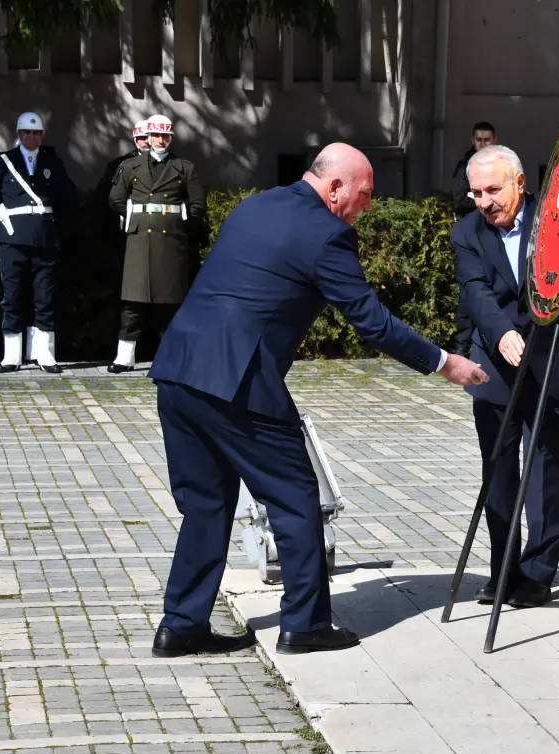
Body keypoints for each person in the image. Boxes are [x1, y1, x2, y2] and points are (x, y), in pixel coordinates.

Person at [148, 143, 489, 658]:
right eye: (365, 194)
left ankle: (181, 624)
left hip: (178, 368)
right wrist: (445, 363)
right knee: (295, 497)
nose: (368, 205)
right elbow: (372, 323)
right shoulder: (327, 235)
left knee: (206, 505)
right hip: (239, 383)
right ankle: (306, 624)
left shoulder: (255, 205)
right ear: (335, 188)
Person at [453, 144, 559, 608]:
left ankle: (537, 572)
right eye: (476, 192)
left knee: (549, 474)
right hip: (495, 368)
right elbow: (475, 292)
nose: (484, 201)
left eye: (492, 190)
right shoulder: (468, 231)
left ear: (519, 182)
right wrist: (498, 335)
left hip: (554, 357)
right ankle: (502, 569)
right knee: (498, 474)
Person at [0, 111, 78, 374]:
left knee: (44, 296)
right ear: (19, 135)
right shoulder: (4, 161)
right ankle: (12, 355)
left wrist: (59, 231)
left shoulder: (51, 161)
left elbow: (68, 197)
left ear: (41, 135)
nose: (32, 137)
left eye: (36, 133)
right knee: (12, 296)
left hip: (44, 238)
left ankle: (44, 354)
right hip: (13, 238)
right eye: (27, 133)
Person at [108, 114, 206, 373]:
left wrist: (179, 227)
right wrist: (136, 219)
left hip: (171, 242)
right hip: (140, 240)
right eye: (156, 135)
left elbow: (197, 206)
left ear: (171, 138)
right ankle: (124, 357)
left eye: (165, 136)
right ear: (147, 138)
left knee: (172, 303)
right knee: (133, 302)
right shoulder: (130, 167)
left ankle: (175, 357)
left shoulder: (184, 167)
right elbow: (116, 199)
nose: (160, 140)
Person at [447, 122, 498, 358]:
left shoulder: (500, 164)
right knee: (470, 290)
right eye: (479, 140)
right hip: (472, 235)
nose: (483, 144)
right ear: (472, 140)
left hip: (495, 233)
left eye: (487, 140)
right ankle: (460, 347)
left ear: (494, 140)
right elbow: (459, 199)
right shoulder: (465, 167)